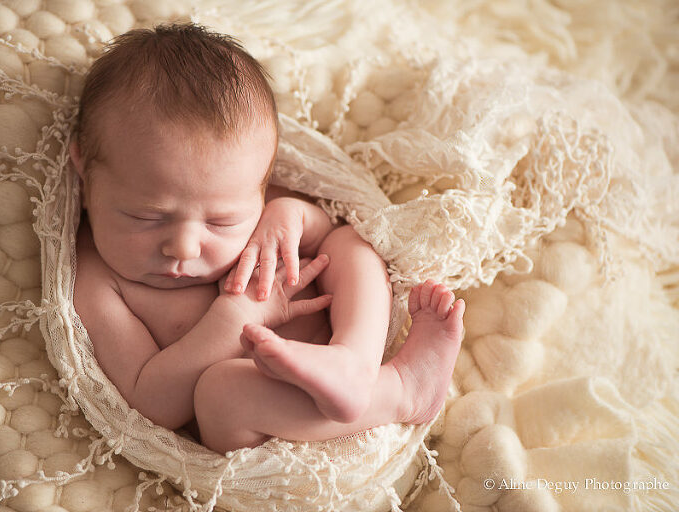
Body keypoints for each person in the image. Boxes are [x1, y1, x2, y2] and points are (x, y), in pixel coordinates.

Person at [70, 23, 465, 454]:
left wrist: (291, 214)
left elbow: (324, 231)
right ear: (85, 169)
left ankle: (354, 359)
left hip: (332, 344)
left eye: (221, 222)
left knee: (348, 243)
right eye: (145, 217)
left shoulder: (248, 194)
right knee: (221, 391)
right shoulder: (97, 278)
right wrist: (235, 318)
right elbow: (150, 402)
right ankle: (400, 391)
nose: (184, 247)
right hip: (257, 412)